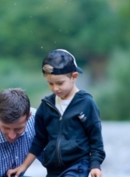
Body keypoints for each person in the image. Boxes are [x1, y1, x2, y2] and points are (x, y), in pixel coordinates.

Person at [7, 49, 105, 177]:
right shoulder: (46, 105)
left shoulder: (86, 103)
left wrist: (95, 166)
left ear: (74, 77)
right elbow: (40, 140)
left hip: (78, 165)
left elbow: (95, 138)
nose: (55, 88)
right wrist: (23, 166)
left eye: (60, 83)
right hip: (53, 169)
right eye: (50, 84)